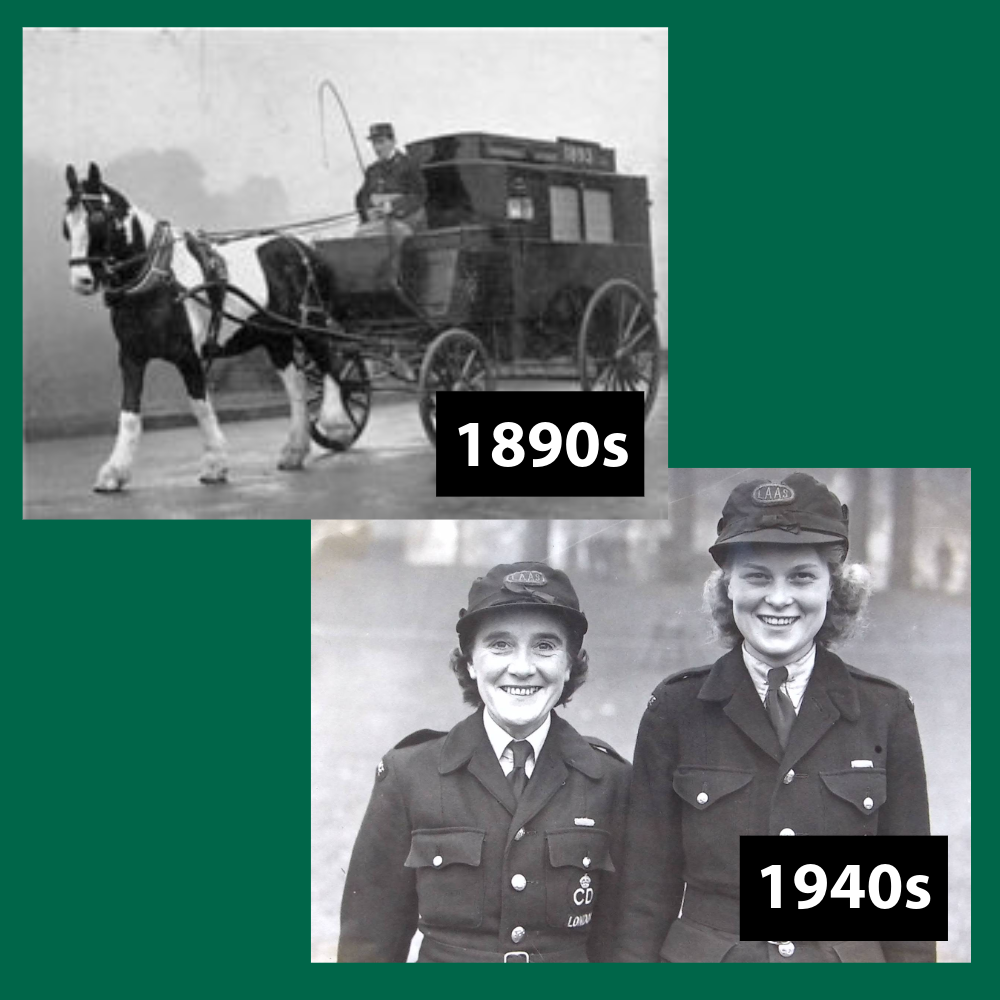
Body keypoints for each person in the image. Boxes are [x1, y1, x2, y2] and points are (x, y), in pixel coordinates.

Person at [616, 473, 935, 963]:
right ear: (727, 588)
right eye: (757, 575)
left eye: (802, 576)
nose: (779, 598)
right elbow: (643, 898)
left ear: (835, 587)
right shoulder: (675, 710)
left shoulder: (885, 711)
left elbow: (907, 918)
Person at [339, 562, 630, 962]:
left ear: (569, 663)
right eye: (500, 645)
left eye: (545, 646)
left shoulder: (609, 781)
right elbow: (368, 944)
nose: (523, 667)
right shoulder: (411, 774)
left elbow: (624, 942)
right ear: (471, 661)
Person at [353, 122, 428, 237]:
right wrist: (368, 211)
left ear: (393, 141)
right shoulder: (372, 170)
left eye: (381, 142)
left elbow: (419, 195)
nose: (377, 148)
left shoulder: (409, 164)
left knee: (387, 237)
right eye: (374, 143)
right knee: (360, 236)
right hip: (379, 224)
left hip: (407, 222)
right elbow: (362, 197)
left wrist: (393, 206)